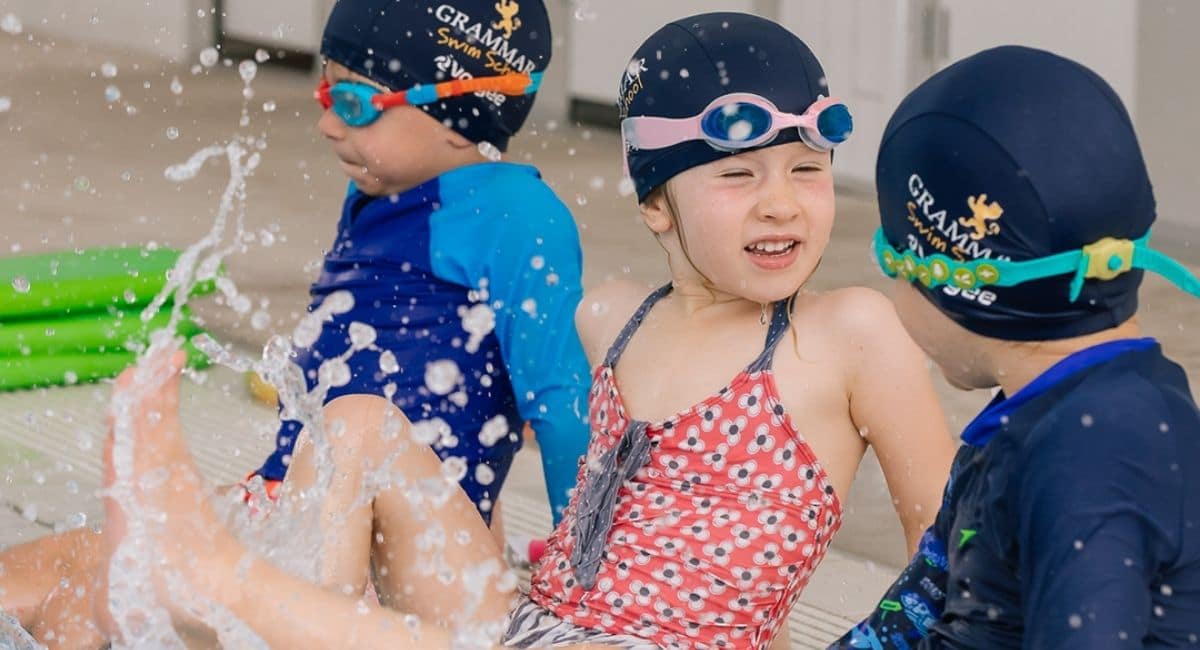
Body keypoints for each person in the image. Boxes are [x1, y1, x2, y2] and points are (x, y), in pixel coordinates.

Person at [5, 12, 958, 650]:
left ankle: (203, 572)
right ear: (658, 204)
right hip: (534, 621)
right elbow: (484, 370)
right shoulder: (619, 313)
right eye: (738, 177)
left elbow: (955, 555)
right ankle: (211, 579)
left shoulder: (844, 333)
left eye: (804, 169)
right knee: (362, 424)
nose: (781, 205)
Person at [0, 0, 590, 646]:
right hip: (300, 500)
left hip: (369, 556)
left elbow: (561, 407)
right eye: (327, 90)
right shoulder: (376, 192)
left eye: (357, 105)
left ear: (461, 112)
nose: (328, 124)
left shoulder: (518, 213)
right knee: (66, 559)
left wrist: (579, 574)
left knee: (100, 590)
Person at [833, 46, 1200, 649]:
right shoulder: (1038, 416)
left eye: (889, 258)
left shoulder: (1094, 453)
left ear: (947, 277)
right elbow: (915, 613)